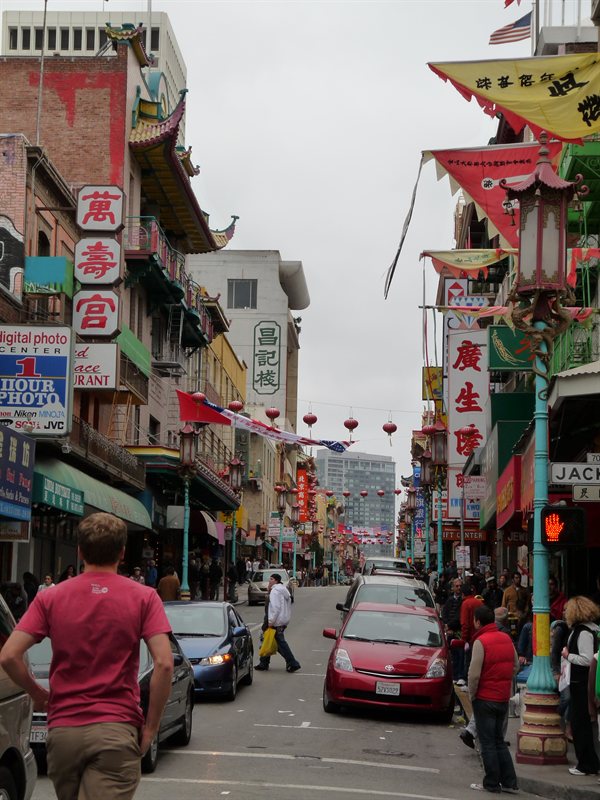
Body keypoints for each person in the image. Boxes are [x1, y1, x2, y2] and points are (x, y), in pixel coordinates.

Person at [0, 511, 174, 800]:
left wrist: (37, 692)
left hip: (64, 732)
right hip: (115, 728)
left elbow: (8, 656)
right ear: (121, 552)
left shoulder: (50, 597)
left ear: (80, 551)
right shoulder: (144, 597)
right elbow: (165, 664)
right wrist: (151, 727)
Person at [468, 605, 520, 793]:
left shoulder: (481, 641)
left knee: (487, 742)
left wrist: (472, 694)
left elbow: (474, 675)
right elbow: (515, 666)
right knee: (498, 740)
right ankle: (509, 781)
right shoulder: (506, 638)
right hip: (502, 697)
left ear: (478, 621)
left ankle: (491, 782)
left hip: (484, 697)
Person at [562, 595, 600, 776]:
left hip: (582, 683)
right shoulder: (593, 629)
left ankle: (586, 764)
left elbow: (586, 659)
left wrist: (567, 655)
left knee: (580, 723)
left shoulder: (583, 632)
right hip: (584, 683)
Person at [255, 573, 301, 673]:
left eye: (271, 579)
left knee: (279, 643)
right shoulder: (283, 590)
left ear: (276, 581)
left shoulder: (275, 591)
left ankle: (293, 663)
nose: (269, 581)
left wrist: (270, 622)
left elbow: (275, 608)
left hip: (275, 621)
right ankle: (264, 663)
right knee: (269, 640)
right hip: (282, 620)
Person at [442, 578, 464, 684]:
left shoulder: (463, 601)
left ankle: (460, 675)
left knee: (460, 654)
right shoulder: (449, 600)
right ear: (453, 588)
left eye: (460, 586)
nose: (459, 588)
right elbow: (445, 613)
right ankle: (454, 675)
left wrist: (449, 625)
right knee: (452, 655)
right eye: (457, 586)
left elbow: (459, 617)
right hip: (450, 631)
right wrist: (447, 626)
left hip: (459, 632)